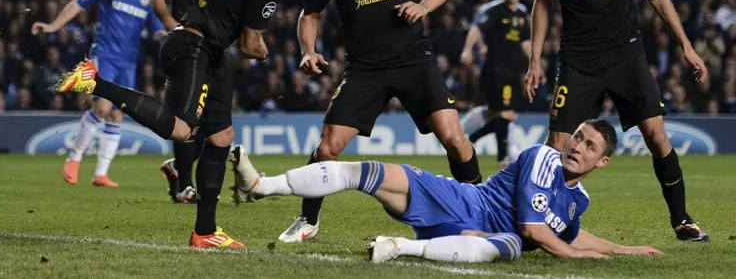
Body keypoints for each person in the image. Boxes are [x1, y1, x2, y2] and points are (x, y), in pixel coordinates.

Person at [58, 0, 311, 248]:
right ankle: (94, 82)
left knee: (221, 136)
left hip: (209, 51)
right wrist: (266, 51)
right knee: (181, 130)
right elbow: (250, 46)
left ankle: (205, 232)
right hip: (194, 48)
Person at [524, 0, 710, 242]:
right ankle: (534, 220)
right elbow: (543, 2)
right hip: (578, 61)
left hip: (626, 56)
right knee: (556, 146)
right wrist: (534, 60)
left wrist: (686, 46)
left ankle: (682, 220)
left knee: (657, 136)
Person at [288, 0, 481, 243]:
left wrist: (422, 6)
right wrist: (308, 50)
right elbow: (309, 14)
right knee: (327, 148)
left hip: (413, 60)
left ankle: (481, 209)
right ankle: (307, 221)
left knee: (455, 140)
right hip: (365, 70)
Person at [231, 119, 664, 263]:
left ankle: (398, 247)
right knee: (368, 172)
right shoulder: (542, 156)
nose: (578, 147)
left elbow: (570, 234)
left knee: (504, 246)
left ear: (601, 162)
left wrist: (623, 250)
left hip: (487, 236)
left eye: (590, 146)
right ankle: (261, 186)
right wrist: (575, 256)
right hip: (464, 201)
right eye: (579, 137)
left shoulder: (578, 201)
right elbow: (537, 231)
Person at [32, 0, 165, 187]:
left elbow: (157, 29)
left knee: (116, 115)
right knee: (102, 107)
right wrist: (53, 26)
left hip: (128, 62)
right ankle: (74, 157)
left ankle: (101, 174)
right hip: (104, 55)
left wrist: (169, 37)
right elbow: (78, 3)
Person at [151, 0, 230, 203]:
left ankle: (177, 167)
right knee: (189, 119)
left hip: (218, 48)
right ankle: (185, 184)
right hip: (190, 45)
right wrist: (172, 25)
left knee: (215, 123)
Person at [459, 0, 531, 166]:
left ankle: (472, 139)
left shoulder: (522, 12)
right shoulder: (493, 9)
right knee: (506, 114)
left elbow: (525, 41)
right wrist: (468, 49)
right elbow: (476, 28)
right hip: (496, 69)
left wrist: (535, 62)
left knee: (497, 114)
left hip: (512, 69)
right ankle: (501, 156)